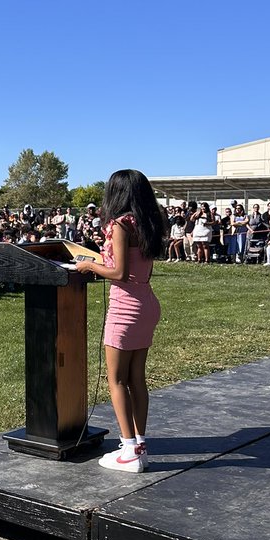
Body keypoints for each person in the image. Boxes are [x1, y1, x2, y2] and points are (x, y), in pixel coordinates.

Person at [73, 169, 164, 473]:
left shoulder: (120, 224)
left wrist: (89, 266)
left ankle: (128, 449)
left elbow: (120, 273)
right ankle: (140, 446)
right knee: (137, 378)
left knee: (117, 380)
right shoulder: (148, 221)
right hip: (147, 303)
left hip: (125, 307)